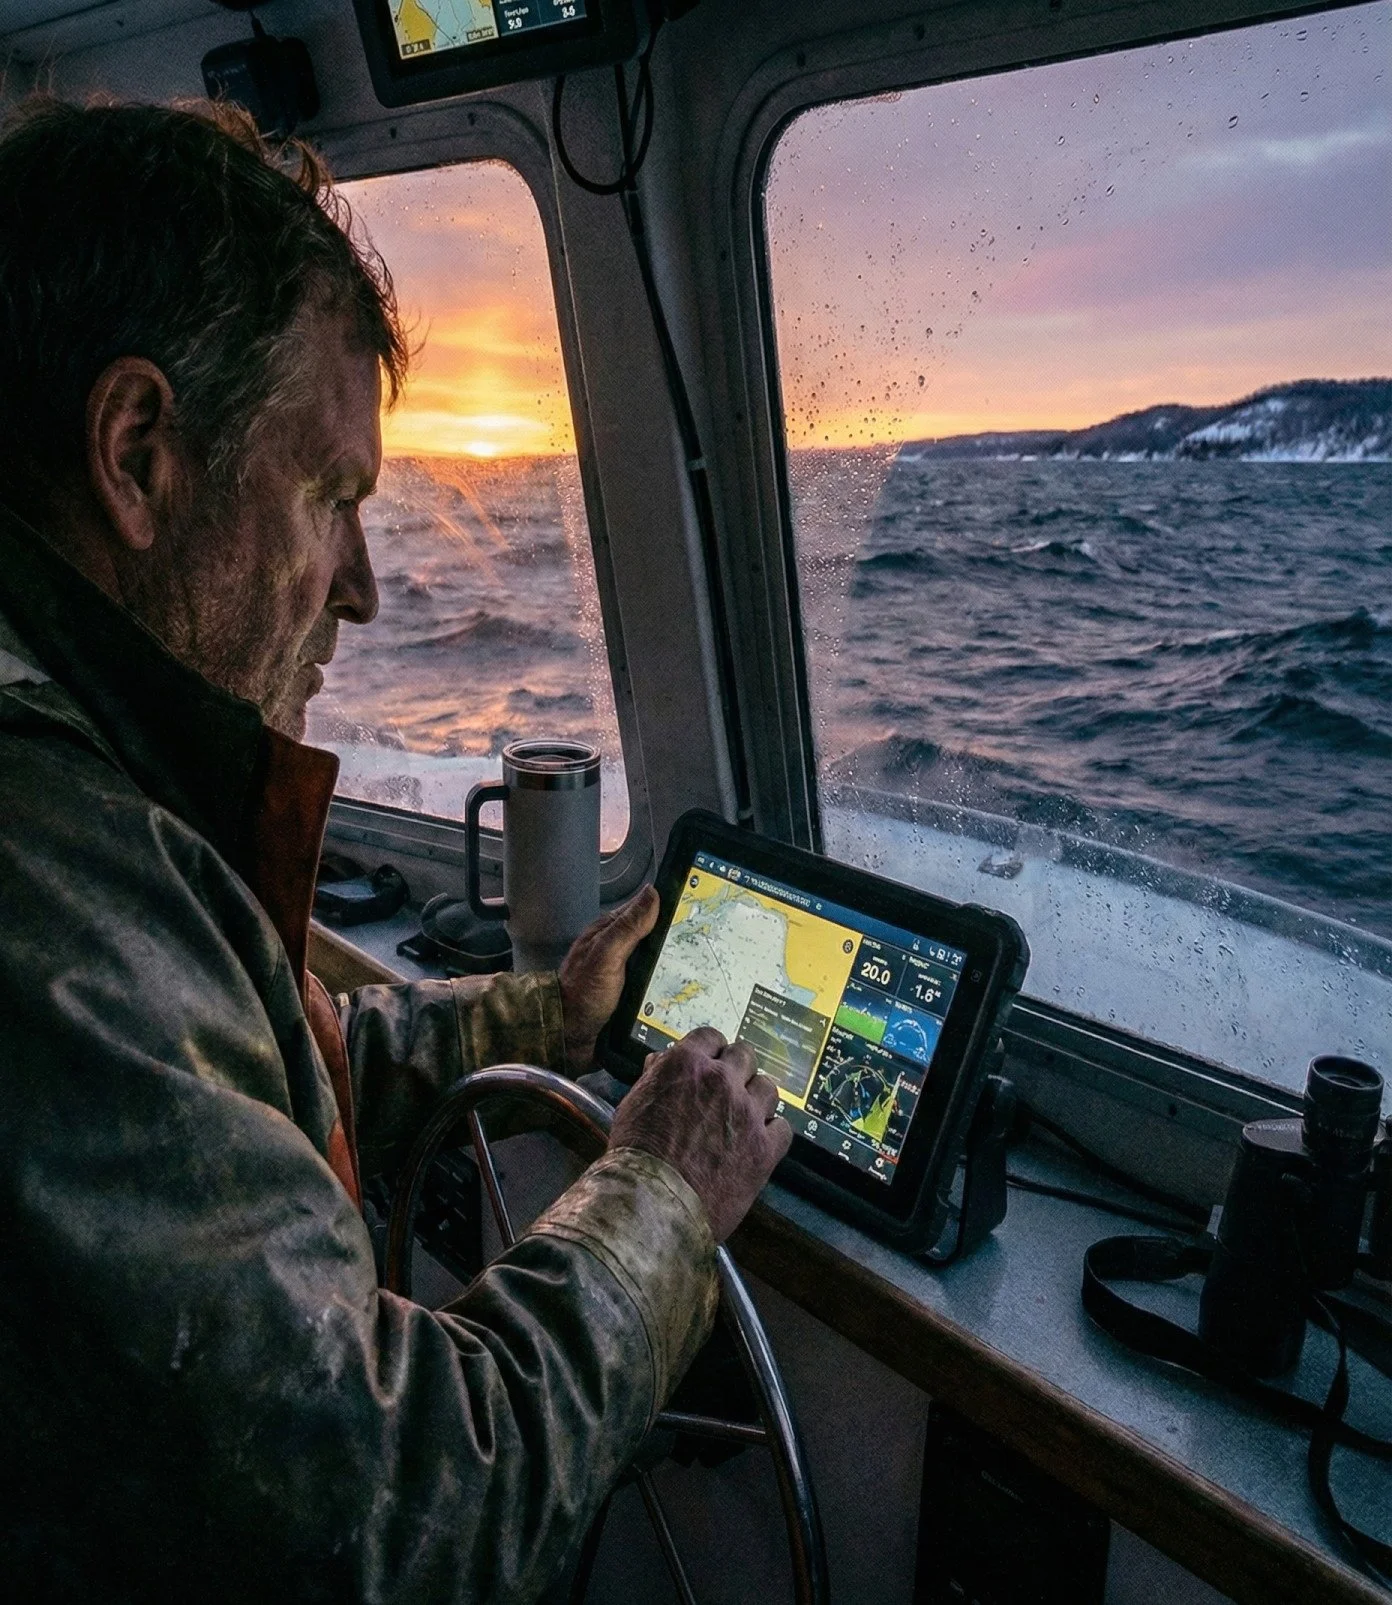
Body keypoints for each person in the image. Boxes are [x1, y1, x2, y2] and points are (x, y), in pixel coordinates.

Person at [0, 97, 791, 1602]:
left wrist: (532, 1018)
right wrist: (663, 1201)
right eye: (331, 496)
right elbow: (403, 1512)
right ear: (138, 451)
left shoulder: (94, 797)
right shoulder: (41, 869)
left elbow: (223, 1076)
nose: (362, 591)